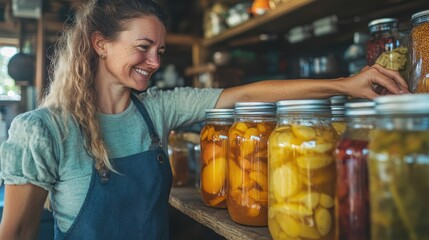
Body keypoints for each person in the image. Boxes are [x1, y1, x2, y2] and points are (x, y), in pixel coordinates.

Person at [0, 0, 408, 239]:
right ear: (100, 44)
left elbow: (246, 95)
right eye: (143, 47)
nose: (155, 62)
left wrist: (345, 85)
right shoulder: (42, 130)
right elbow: (15, 234)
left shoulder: (156, 110)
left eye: (160, 50)